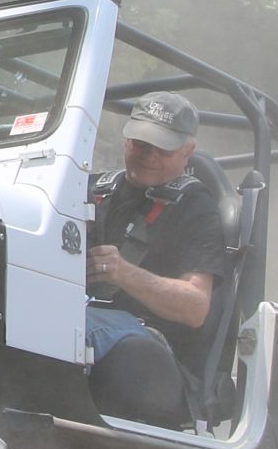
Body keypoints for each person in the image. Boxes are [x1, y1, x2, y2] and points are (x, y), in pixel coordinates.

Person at [85, 90, 230, 425]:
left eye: (162, 148)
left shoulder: (197, 208)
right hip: (87, 315)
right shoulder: (94, 191)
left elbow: (195, 306)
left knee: (63, 327)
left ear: (187, 151)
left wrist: (122, 273)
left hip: (154, 347)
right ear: (126, 140)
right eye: (141, 143)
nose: (149, 155)